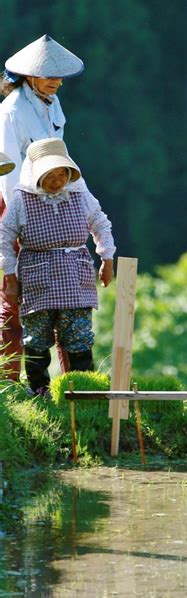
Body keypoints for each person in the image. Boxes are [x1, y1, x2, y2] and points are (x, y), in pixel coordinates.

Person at [0, 137, 115, 396]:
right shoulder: (22, 200)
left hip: (76, 277)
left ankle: (84, 393)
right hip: (37, 279)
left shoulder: (80, 195)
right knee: (37, 339)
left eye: (62, 173)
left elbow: (100, 224)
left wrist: (106, 258)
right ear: (37, 174)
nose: (57, 181)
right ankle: (39, 392)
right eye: (49, 175)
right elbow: (4, 237)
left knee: (79, 336)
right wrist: (10, 277)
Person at [0, 34, 84, 380]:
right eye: (49, 75)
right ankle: (7, 383)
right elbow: (7, 172)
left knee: (61, 294)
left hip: (51, 203)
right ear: (29, 75)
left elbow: (57, 159)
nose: (57, 81)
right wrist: (24, 220)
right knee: (14, 297)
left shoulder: (52, 104)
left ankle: (69, 384)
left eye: (58, 75)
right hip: (15, 208)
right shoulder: (12, 111)